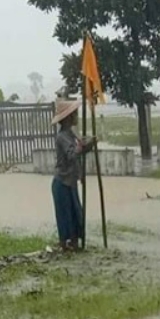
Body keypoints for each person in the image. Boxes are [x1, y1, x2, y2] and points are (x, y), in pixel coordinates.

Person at [50, 99, 97, 251]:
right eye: (74, 114)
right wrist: (81, 146)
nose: (76, 116)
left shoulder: (71, 134)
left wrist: (89, 145)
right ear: (68, 118)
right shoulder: (62, 136)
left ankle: (75, 243)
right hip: (62, 182)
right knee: (65, 215)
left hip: (71, 181)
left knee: (76, 212)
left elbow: (79, 153)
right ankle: (65, 244)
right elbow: (72, 155)